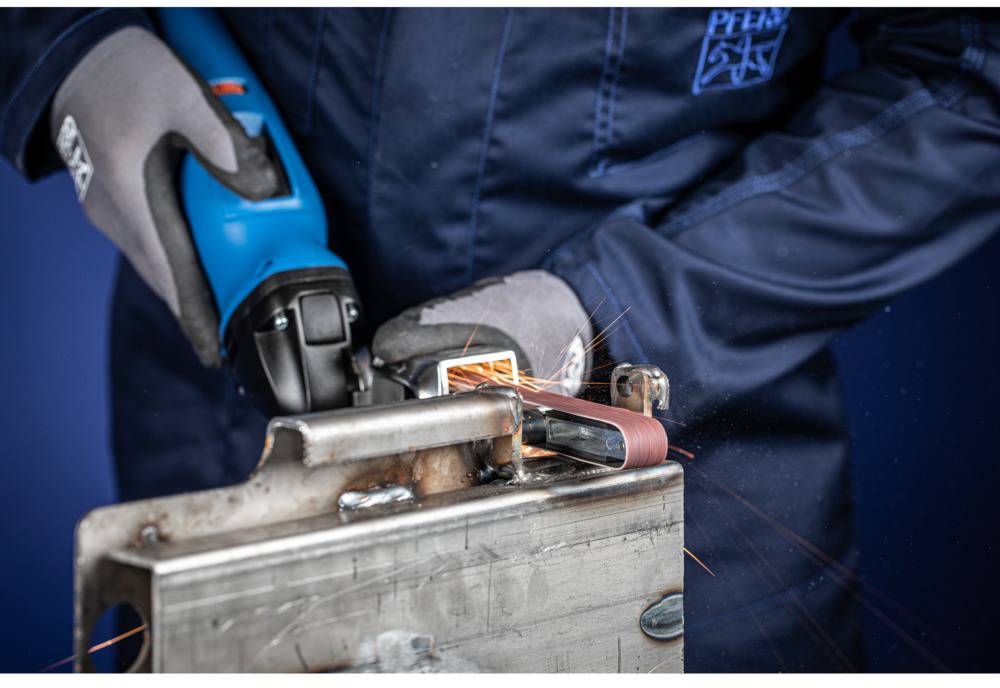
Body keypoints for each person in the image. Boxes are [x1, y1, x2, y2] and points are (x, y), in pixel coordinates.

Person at [2, 7, 998, 672]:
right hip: (234, 450)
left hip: (678, 514)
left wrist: (613, 309)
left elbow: (970, 69)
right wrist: (66, 44)